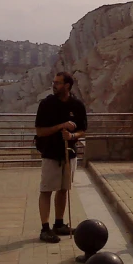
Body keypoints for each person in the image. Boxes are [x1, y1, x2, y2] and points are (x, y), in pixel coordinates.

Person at [34, 71, 87, 243]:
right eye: (54, 82)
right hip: (50, 153)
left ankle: (59, 223)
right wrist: (60, 126)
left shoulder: (77, 105)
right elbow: (40, 131)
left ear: (67, 86)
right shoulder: (47, 104)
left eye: (58, 83)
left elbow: (82, 130)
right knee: (46, 190)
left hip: (69, 154)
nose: (54, 85)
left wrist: (72, 136)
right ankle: (44, 228)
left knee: (63, 189)